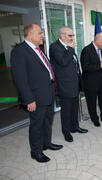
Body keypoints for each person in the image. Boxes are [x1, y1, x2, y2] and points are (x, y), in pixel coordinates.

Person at [11, 24, 63, 163]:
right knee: (37, 125)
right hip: (35, 97)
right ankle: (36, 152)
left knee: (47, 121)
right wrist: (29, 100)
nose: (43, 35)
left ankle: (46, 143)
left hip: (48, 93)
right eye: (40, 33)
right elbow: (20, 79)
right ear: (30, 34)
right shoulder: (20, 51)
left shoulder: (38, 49)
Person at [49, 26, 88, 143]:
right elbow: (63, 62)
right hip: (65, 85)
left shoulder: (68, 46)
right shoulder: (55, 47)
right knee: (66, 110)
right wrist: (70, 49)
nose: (72, 38)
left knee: (75, 107)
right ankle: (66, 132)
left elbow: (74, 65)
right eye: (70, 36)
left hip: (74, 84)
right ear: (62, 35)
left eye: (73, 36)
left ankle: (74, 126)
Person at [80, 33, 102, 127]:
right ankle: (94, 119)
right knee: (91, 101)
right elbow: (85, 67)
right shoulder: (86, 50)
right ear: (97, 40)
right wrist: (99, 66)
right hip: (90, 81)